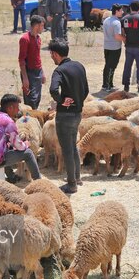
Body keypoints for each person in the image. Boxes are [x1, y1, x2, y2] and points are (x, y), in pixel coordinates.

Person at [49, 39, 89, 194]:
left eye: (52, 54)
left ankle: (71, 184)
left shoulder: (59, 71)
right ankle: (77, 177)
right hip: (78, 114)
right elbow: (85, 90)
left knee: (67, 149)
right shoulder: (79, 66)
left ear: (55, 54)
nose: (52, 57)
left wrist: (61, 101)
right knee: (72, 146)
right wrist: (77, 102)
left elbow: (53, 89)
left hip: (64, 116)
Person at [0, 94, 41, 184]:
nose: (18, 110)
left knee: (4, 149)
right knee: (28, 153)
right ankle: (39, 182)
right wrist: (26, 144)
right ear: (10, 108)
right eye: (17, 107)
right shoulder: (8, 121)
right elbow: (19, 146)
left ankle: (11, 177)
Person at [121, 0, 139, 93]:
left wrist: (126, 42)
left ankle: (126, 85)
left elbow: (122, 34)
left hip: (129, 46)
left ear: (130, 8)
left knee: (127, 65)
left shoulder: (124, 19)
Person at [19, 15, 46, 109]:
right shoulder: (25, 39)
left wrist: (42, 73)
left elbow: (37, 57)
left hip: (38, 72)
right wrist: (25, 78)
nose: (43, 28)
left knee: (37, 98)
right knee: (31, 100)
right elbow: (21, 60)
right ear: (36, 26)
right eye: (42, 25)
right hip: (29, 72)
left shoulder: (38, 38)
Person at [102, 4, 125, 91]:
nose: (122, 12)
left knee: (107, 65)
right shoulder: (116, 22)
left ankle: (106, 84)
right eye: (121, 10)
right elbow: (117, 36)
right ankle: (108, 86)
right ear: (117, 11)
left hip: (107, 46)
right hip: (114, 47)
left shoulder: (106, 20)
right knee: (112, 66)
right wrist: (125, 39)